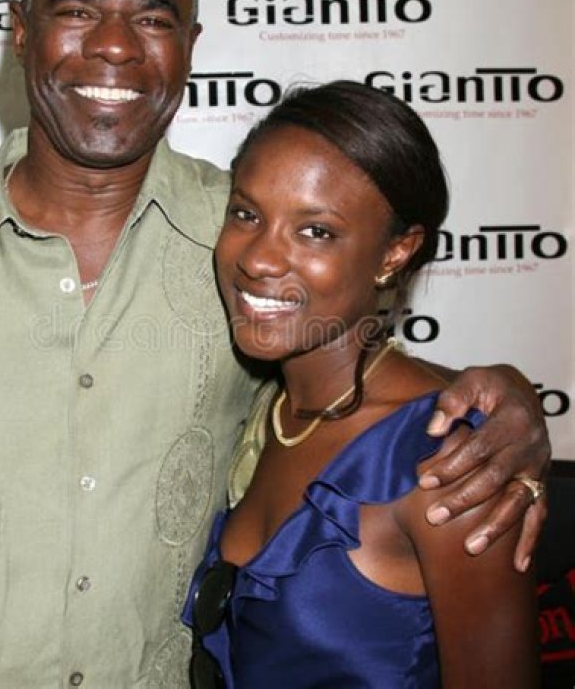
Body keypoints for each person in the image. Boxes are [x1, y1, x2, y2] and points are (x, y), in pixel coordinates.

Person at [0, 0, 548, 689]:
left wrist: (507, 406)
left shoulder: (243, 238)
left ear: (191, 45)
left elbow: (356, 370)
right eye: (77, 10)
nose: (116, 46)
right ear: (18, 30)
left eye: (154, 19)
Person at [183, 80, 541, 688]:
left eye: (315, 231)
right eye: (247, 214)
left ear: (395, 253)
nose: (259, 259)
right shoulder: (262, 413)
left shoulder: (452, 463)